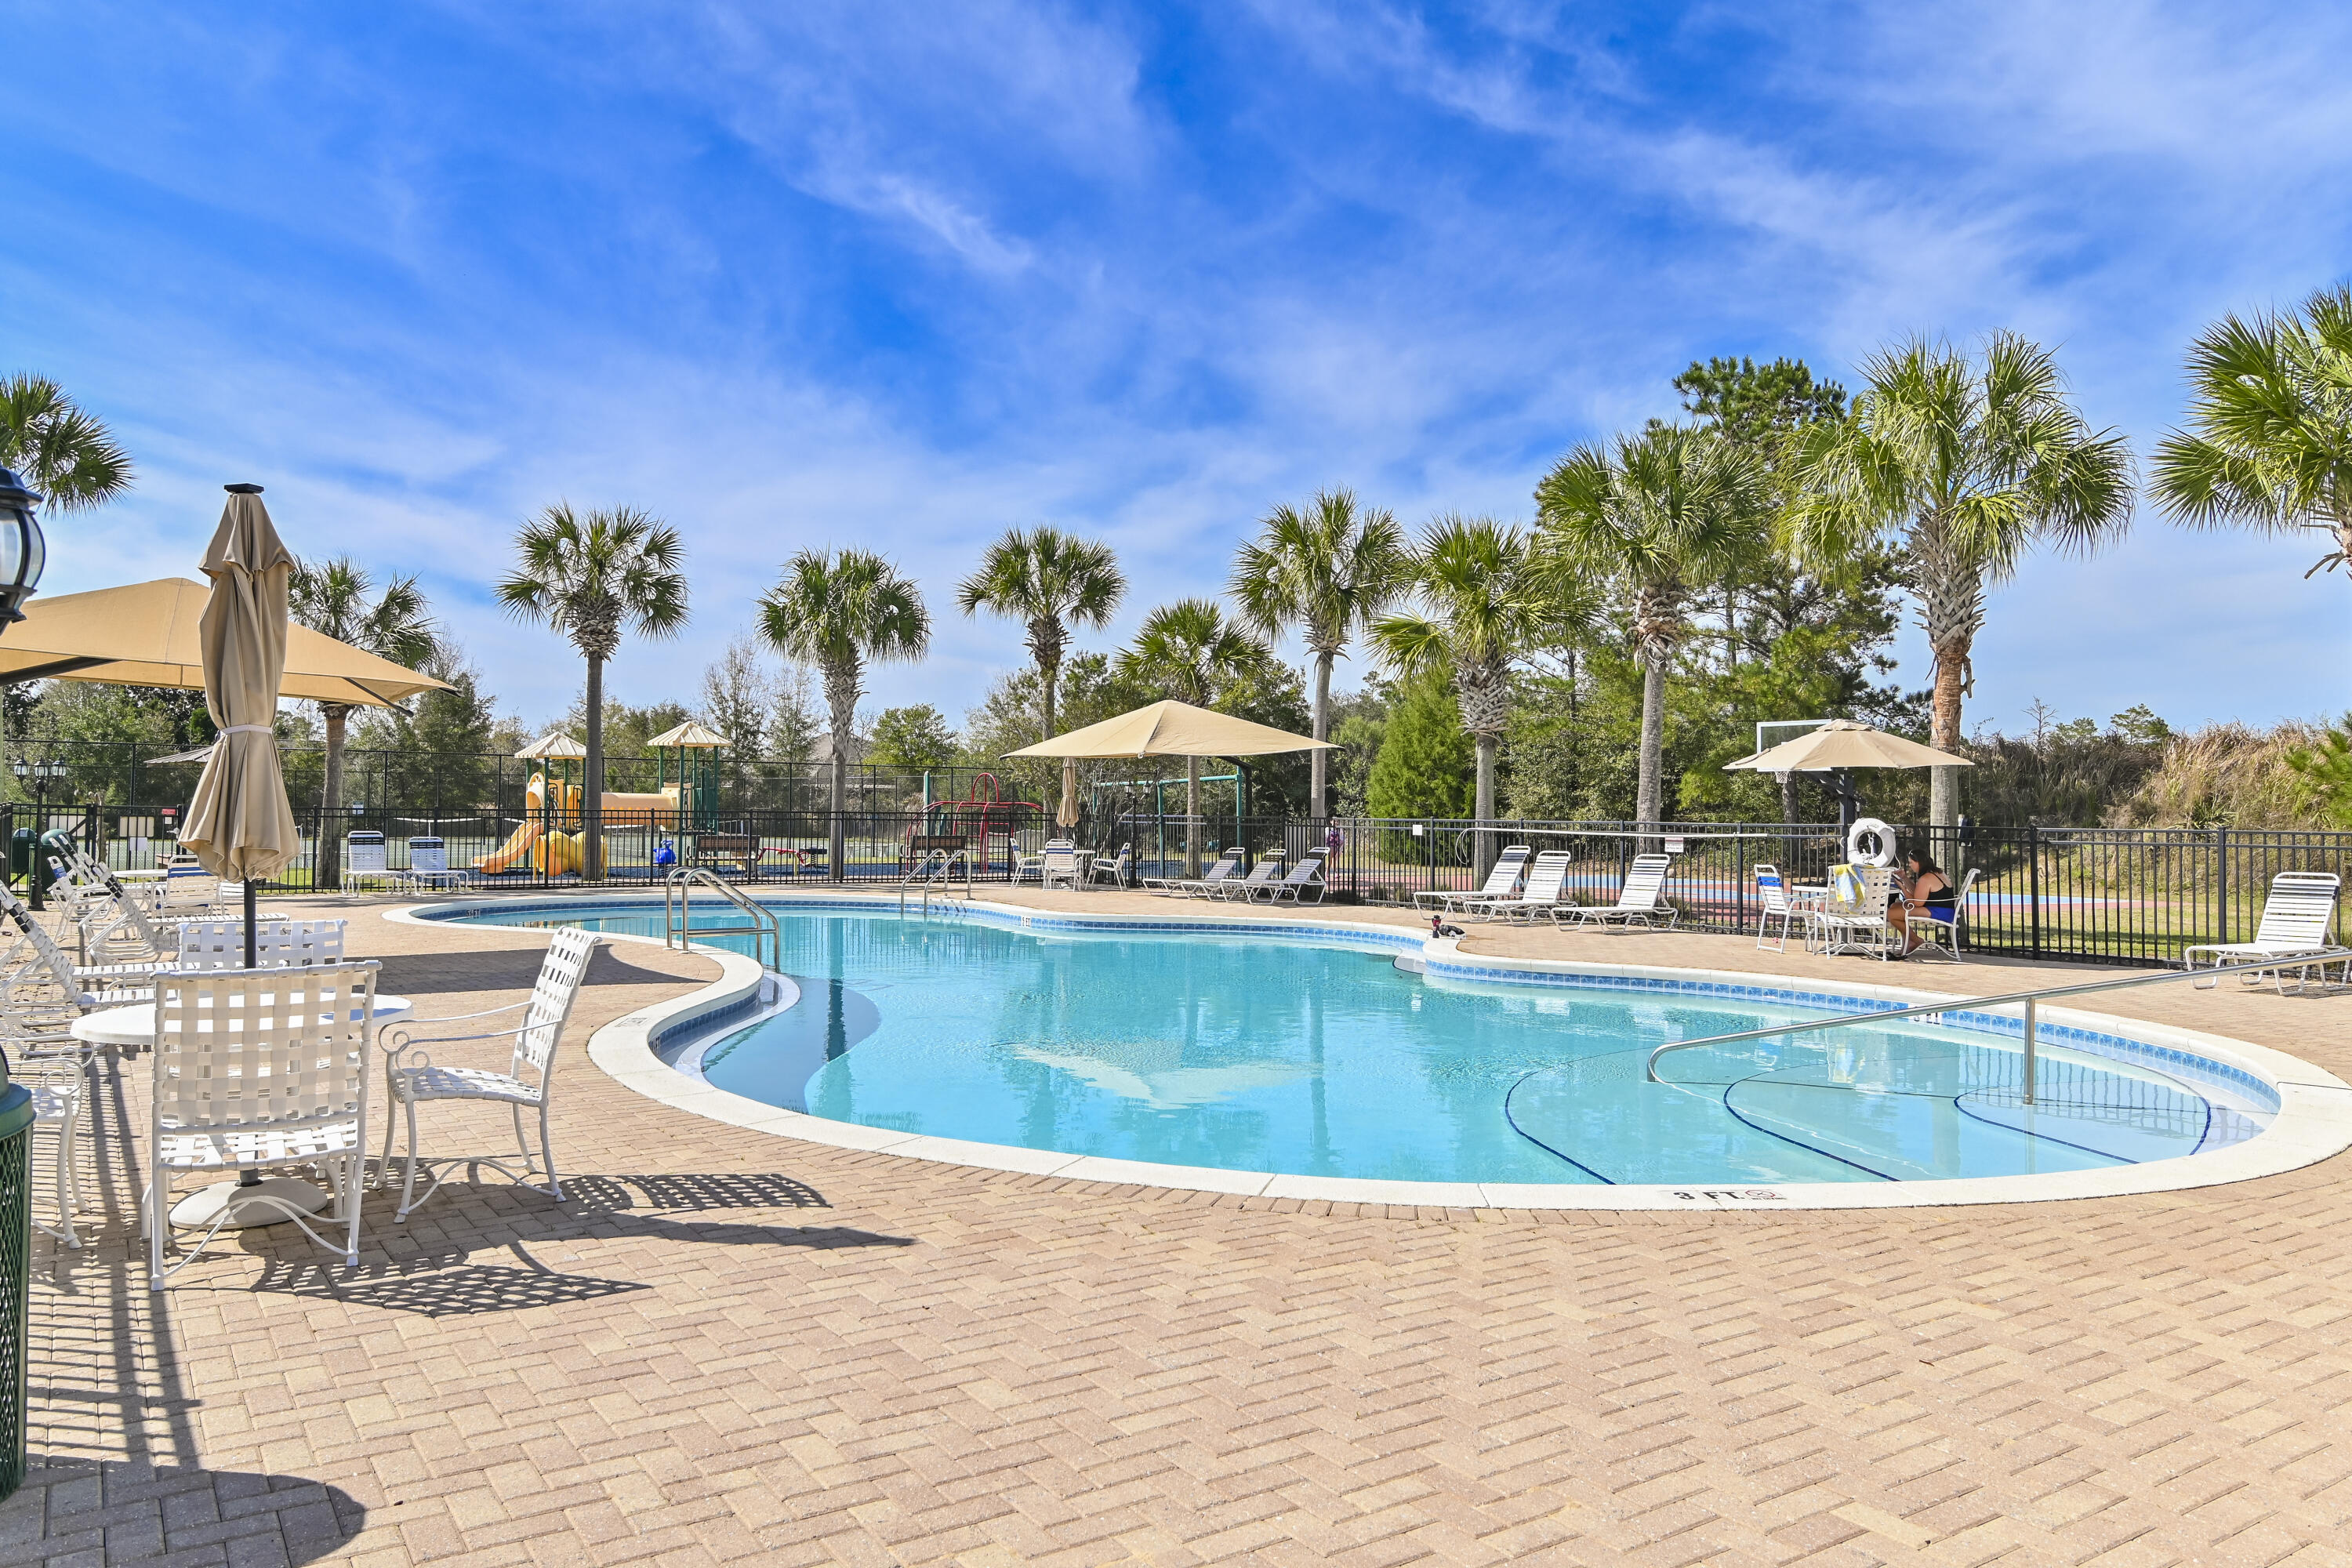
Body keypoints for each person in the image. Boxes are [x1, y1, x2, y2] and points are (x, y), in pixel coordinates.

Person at [1888, 848, 1955, 955]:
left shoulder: (1926, 878)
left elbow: (1917, 903)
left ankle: (1916, 941)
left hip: (1939, 912)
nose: (1910, 865)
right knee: (1895, 906)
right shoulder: (1936, 872)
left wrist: (1902, 888)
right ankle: (1910, 942)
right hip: (1944, 910)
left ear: (1918, 862)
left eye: (1911, 862)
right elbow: (1918, 893)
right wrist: (1904, 878)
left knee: (1891, 914)